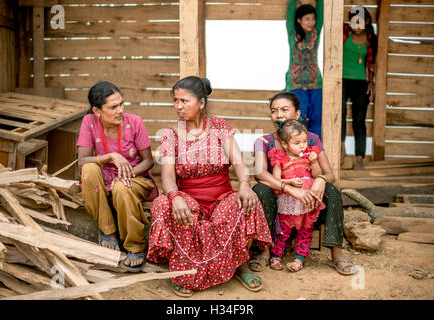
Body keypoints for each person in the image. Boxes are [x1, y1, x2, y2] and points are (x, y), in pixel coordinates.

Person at [146, 76, 272, 298]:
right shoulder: (171, 134)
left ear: (202, 103)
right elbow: (167, 176)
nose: (178, 107)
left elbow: (240, 164)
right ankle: (183, 270)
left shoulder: (220, 127)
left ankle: (238, 265)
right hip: (188, 199)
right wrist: (175, 197)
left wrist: (244, 184)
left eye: (184, 101)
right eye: (175, 101)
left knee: (242, 201)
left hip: (220, 197)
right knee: (161, 204)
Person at [249, 91, 355, 276]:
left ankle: (336, 253)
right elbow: (259, 173)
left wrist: (320, 181)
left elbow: (330, 174)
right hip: (277, 206)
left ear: (298, 114)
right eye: (274, 111)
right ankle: (264, 251)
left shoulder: (311, 139)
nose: (279, 114)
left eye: (284, 109)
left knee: (332, 190)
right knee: (260, 189)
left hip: (308, 205)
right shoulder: (264, 141)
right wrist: (288, 188)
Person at [77, 81, 158, 272]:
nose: (120, 110)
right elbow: (82, 161)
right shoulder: (89, 122)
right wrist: (111, 156)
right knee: (88, 170)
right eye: (113, 107)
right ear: (97, 111)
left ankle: (135, 246)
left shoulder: (134, 122)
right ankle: (108, 232)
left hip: (135, 178)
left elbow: (148, 162)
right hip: (103, 180)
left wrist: (125, 174)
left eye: (121, 104)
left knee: (122, 188)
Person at [268, 119, 325, 272]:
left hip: (308, 200)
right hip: (289, 200)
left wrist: (314, 163)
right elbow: (276, 180)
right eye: (297, 142)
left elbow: (318, 175)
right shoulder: (280, 158)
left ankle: (299, 258)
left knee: (306, 230)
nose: (303, 145)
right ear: (285, 144)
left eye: (305, 141)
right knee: (283, 231)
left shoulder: (308, 156)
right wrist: (291, 182)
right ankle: (276, 255)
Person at [341, 6, 378, 169]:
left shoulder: (371, 38)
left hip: (362, 82)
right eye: (353, 21)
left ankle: (359, 158)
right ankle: (340, 149)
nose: (356, 25)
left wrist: (371, 83)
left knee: (359, 119)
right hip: (341, 80)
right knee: (339, 114)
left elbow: (372, 64)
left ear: (367, 21)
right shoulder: (343, 32)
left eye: (360, 22)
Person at [285, 0, 324, 137]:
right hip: (296, 84)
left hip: (316, 84)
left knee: (317, 120)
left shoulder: (316, 33)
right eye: (307, 19)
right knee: (298, 121)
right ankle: (296, 154)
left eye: (313, 19)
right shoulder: (292, 33)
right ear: (299, 20)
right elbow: (290, 11)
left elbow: (321, 9)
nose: (311, 22)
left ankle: (314, 153)